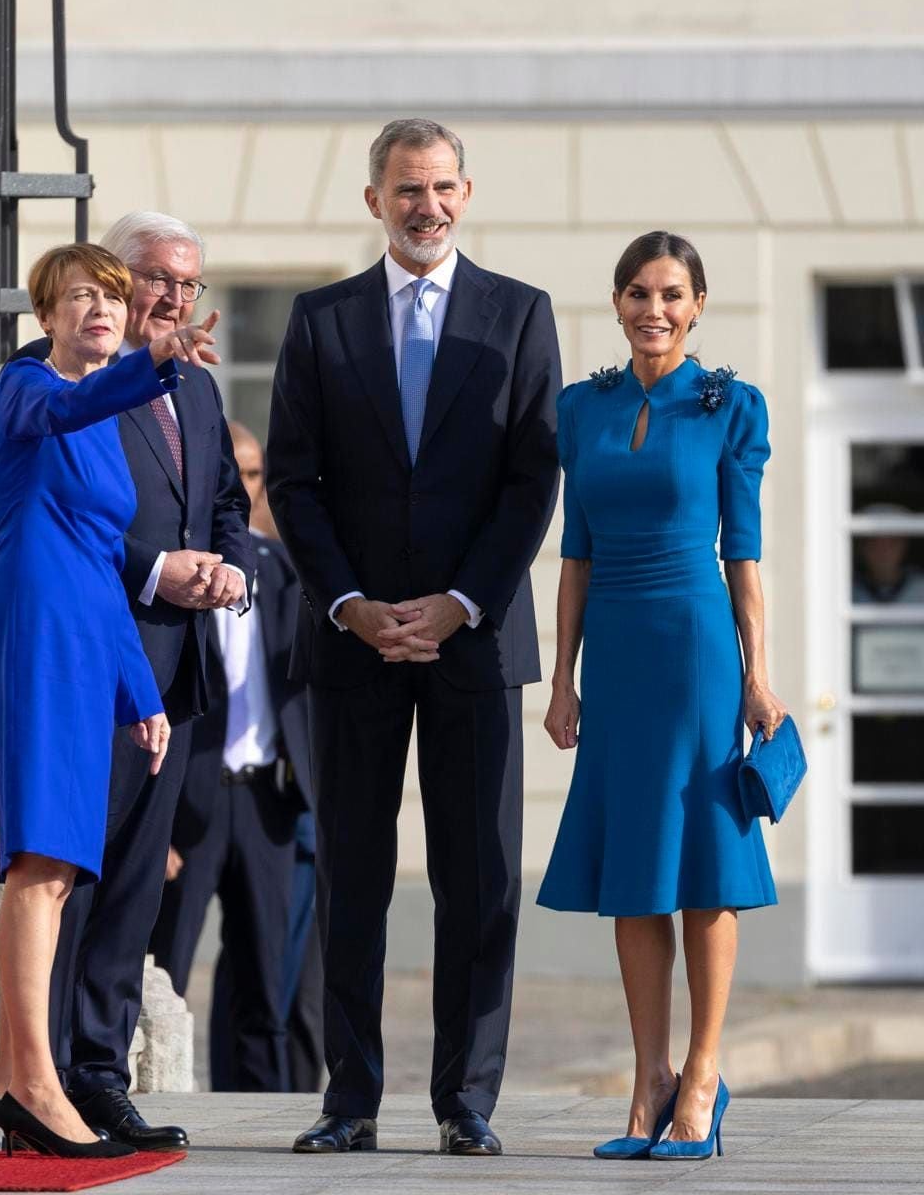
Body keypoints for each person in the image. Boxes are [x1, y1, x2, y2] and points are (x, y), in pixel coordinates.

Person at [266, 118, 562, 1156]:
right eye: (406, 190)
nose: (425, 206)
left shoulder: (521, 316)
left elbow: (534, 476)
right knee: (351, 873)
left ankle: (466, 1100)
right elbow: (292, 481)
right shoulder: (320, 319)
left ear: (467, 194)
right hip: (350, 643)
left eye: (441, 188)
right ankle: (349, 1099)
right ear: (374, 201)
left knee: (479, 877)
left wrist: (460, 603)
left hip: (475, 644)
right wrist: (348, 603)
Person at [536, 231, 788, 1162]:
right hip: (619, 657)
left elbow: (744, 557)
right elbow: (575, 557)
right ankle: (647, 1081)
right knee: (634, 874)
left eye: (672, 294)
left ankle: (705, 1072)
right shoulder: (583, 409)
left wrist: (758, 674)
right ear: (616, 302)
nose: (655, 309)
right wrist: (562, 679)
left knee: (703, 870)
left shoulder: (731, 407)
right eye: (639, 292)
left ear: (698, 304)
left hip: (697, 649)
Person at [0, 242, 220, 1158]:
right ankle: (36, 1082)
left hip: (91, 634)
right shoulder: (29, 387)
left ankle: (8, 1079)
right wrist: (155, 365)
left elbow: (103, 557)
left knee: (65, 863)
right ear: (45, 315)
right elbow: (81, 401)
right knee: (42, 859)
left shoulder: (99, 412)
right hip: (37, 629)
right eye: (81, 297)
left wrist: (141, 691)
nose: (102, 311)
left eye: (113, 298)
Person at [16, 213, 255, 1151]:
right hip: (91, 661)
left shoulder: (190, 385)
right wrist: (159, 569)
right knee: (71, 870)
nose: (172, 298)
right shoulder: (74, 377)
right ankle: (42, 1075)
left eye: (188, 284)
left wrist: (227, 566)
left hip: (174, 666)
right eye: (155, 277)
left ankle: (100, 1073)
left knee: (133, 895)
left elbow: (228, 498)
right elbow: (67, 520)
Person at [149, 421, 321, 1093]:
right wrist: (152, 820)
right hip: (187, 805)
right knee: (164, 969)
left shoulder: (285, 571)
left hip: (267, 803)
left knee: (264, 978)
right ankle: (143, 1095)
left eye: (253, 477)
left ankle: (257, 1118)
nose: (244, 492)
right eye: (232, 476)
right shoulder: (165, 573)